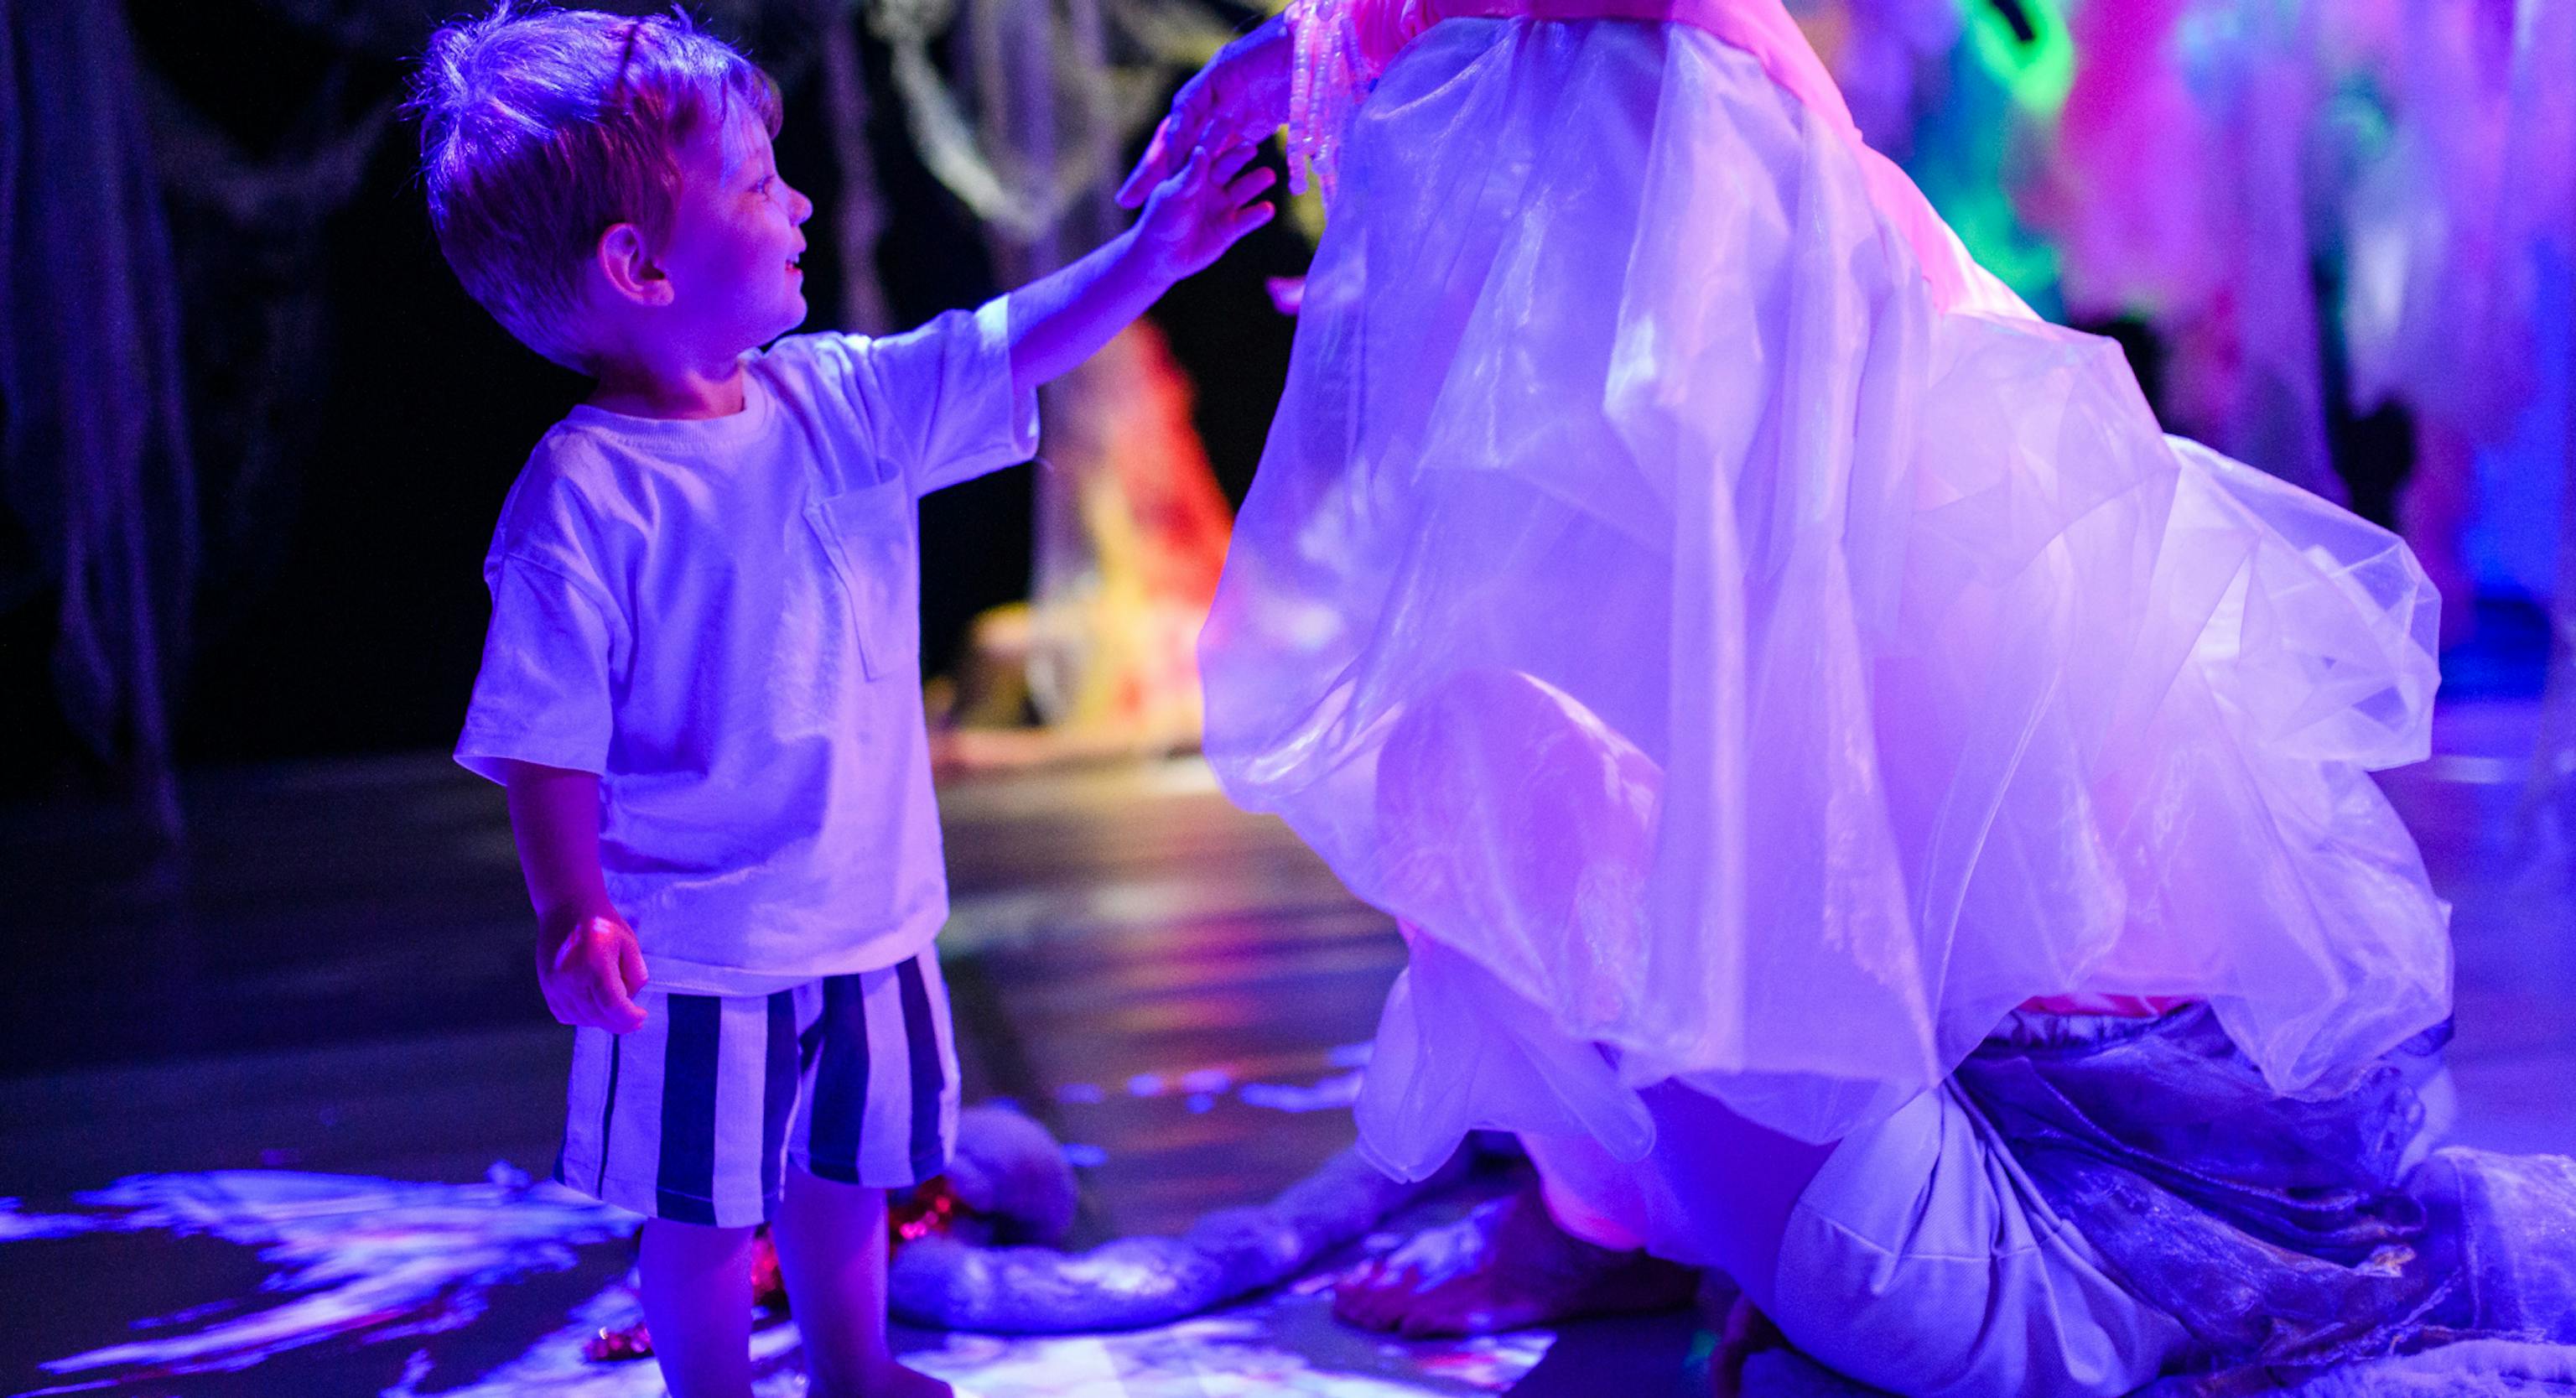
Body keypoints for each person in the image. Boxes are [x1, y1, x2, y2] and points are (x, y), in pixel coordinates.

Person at [1122, 2, 2576, 1393]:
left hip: (1926, 1253)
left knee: (1515, 741)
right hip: (1952, 1207)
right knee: (1586, 718)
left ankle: (1604, 1222)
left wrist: (1350, 37)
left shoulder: (1756, 551)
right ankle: (1602, 1219)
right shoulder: (1922, 501)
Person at [410, 8, 1273, 1396]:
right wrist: (576, 908)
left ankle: (853, 1368)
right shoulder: (585, 498)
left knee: (845, 1173)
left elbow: (1003, 342)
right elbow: (543, 733)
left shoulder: (835, 404)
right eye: (758, 183)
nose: (798, 200)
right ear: (637, 266)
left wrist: (1158, 251)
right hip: (698, 952)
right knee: (701, 1214)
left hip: (869, 914)